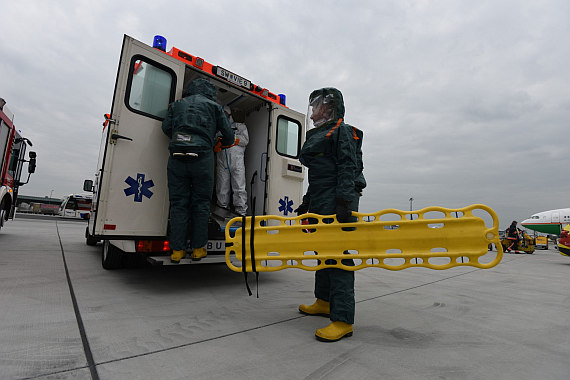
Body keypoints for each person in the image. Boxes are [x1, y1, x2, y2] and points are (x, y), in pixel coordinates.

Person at [295, 88, 366, 342]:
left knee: (338, 257)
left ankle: (342, 319)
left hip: (338, 201)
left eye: (317, 105)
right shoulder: (319, 135)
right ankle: (324, 301)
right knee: (322, 252)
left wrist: (344, 202)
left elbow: (348, 167)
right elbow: (318, 178)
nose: (312, 110)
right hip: (322, 199)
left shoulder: (341, 132)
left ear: (329, 107)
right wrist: (307, 203)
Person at [162, 78, 234, 263]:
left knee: (178, 203)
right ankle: (198, 249)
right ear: (210, 92)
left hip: (177, 157)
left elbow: (166, 128)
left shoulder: (177, 105)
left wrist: (182, 138)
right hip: (202, 159)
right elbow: (229, 135)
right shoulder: (215, 107)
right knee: (201, 203)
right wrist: (219, 143)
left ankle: (177, 251)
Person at [215, 106, 249, 216]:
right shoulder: (218, 130)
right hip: (222, 162)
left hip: (237, 162)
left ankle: (241, 213)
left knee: (239, 187)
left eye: (226, 113)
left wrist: (232, 138)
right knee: (222, 188)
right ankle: (222, 211)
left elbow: (245, 140)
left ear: (230, 115)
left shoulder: (239, 127)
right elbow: (215, 143)